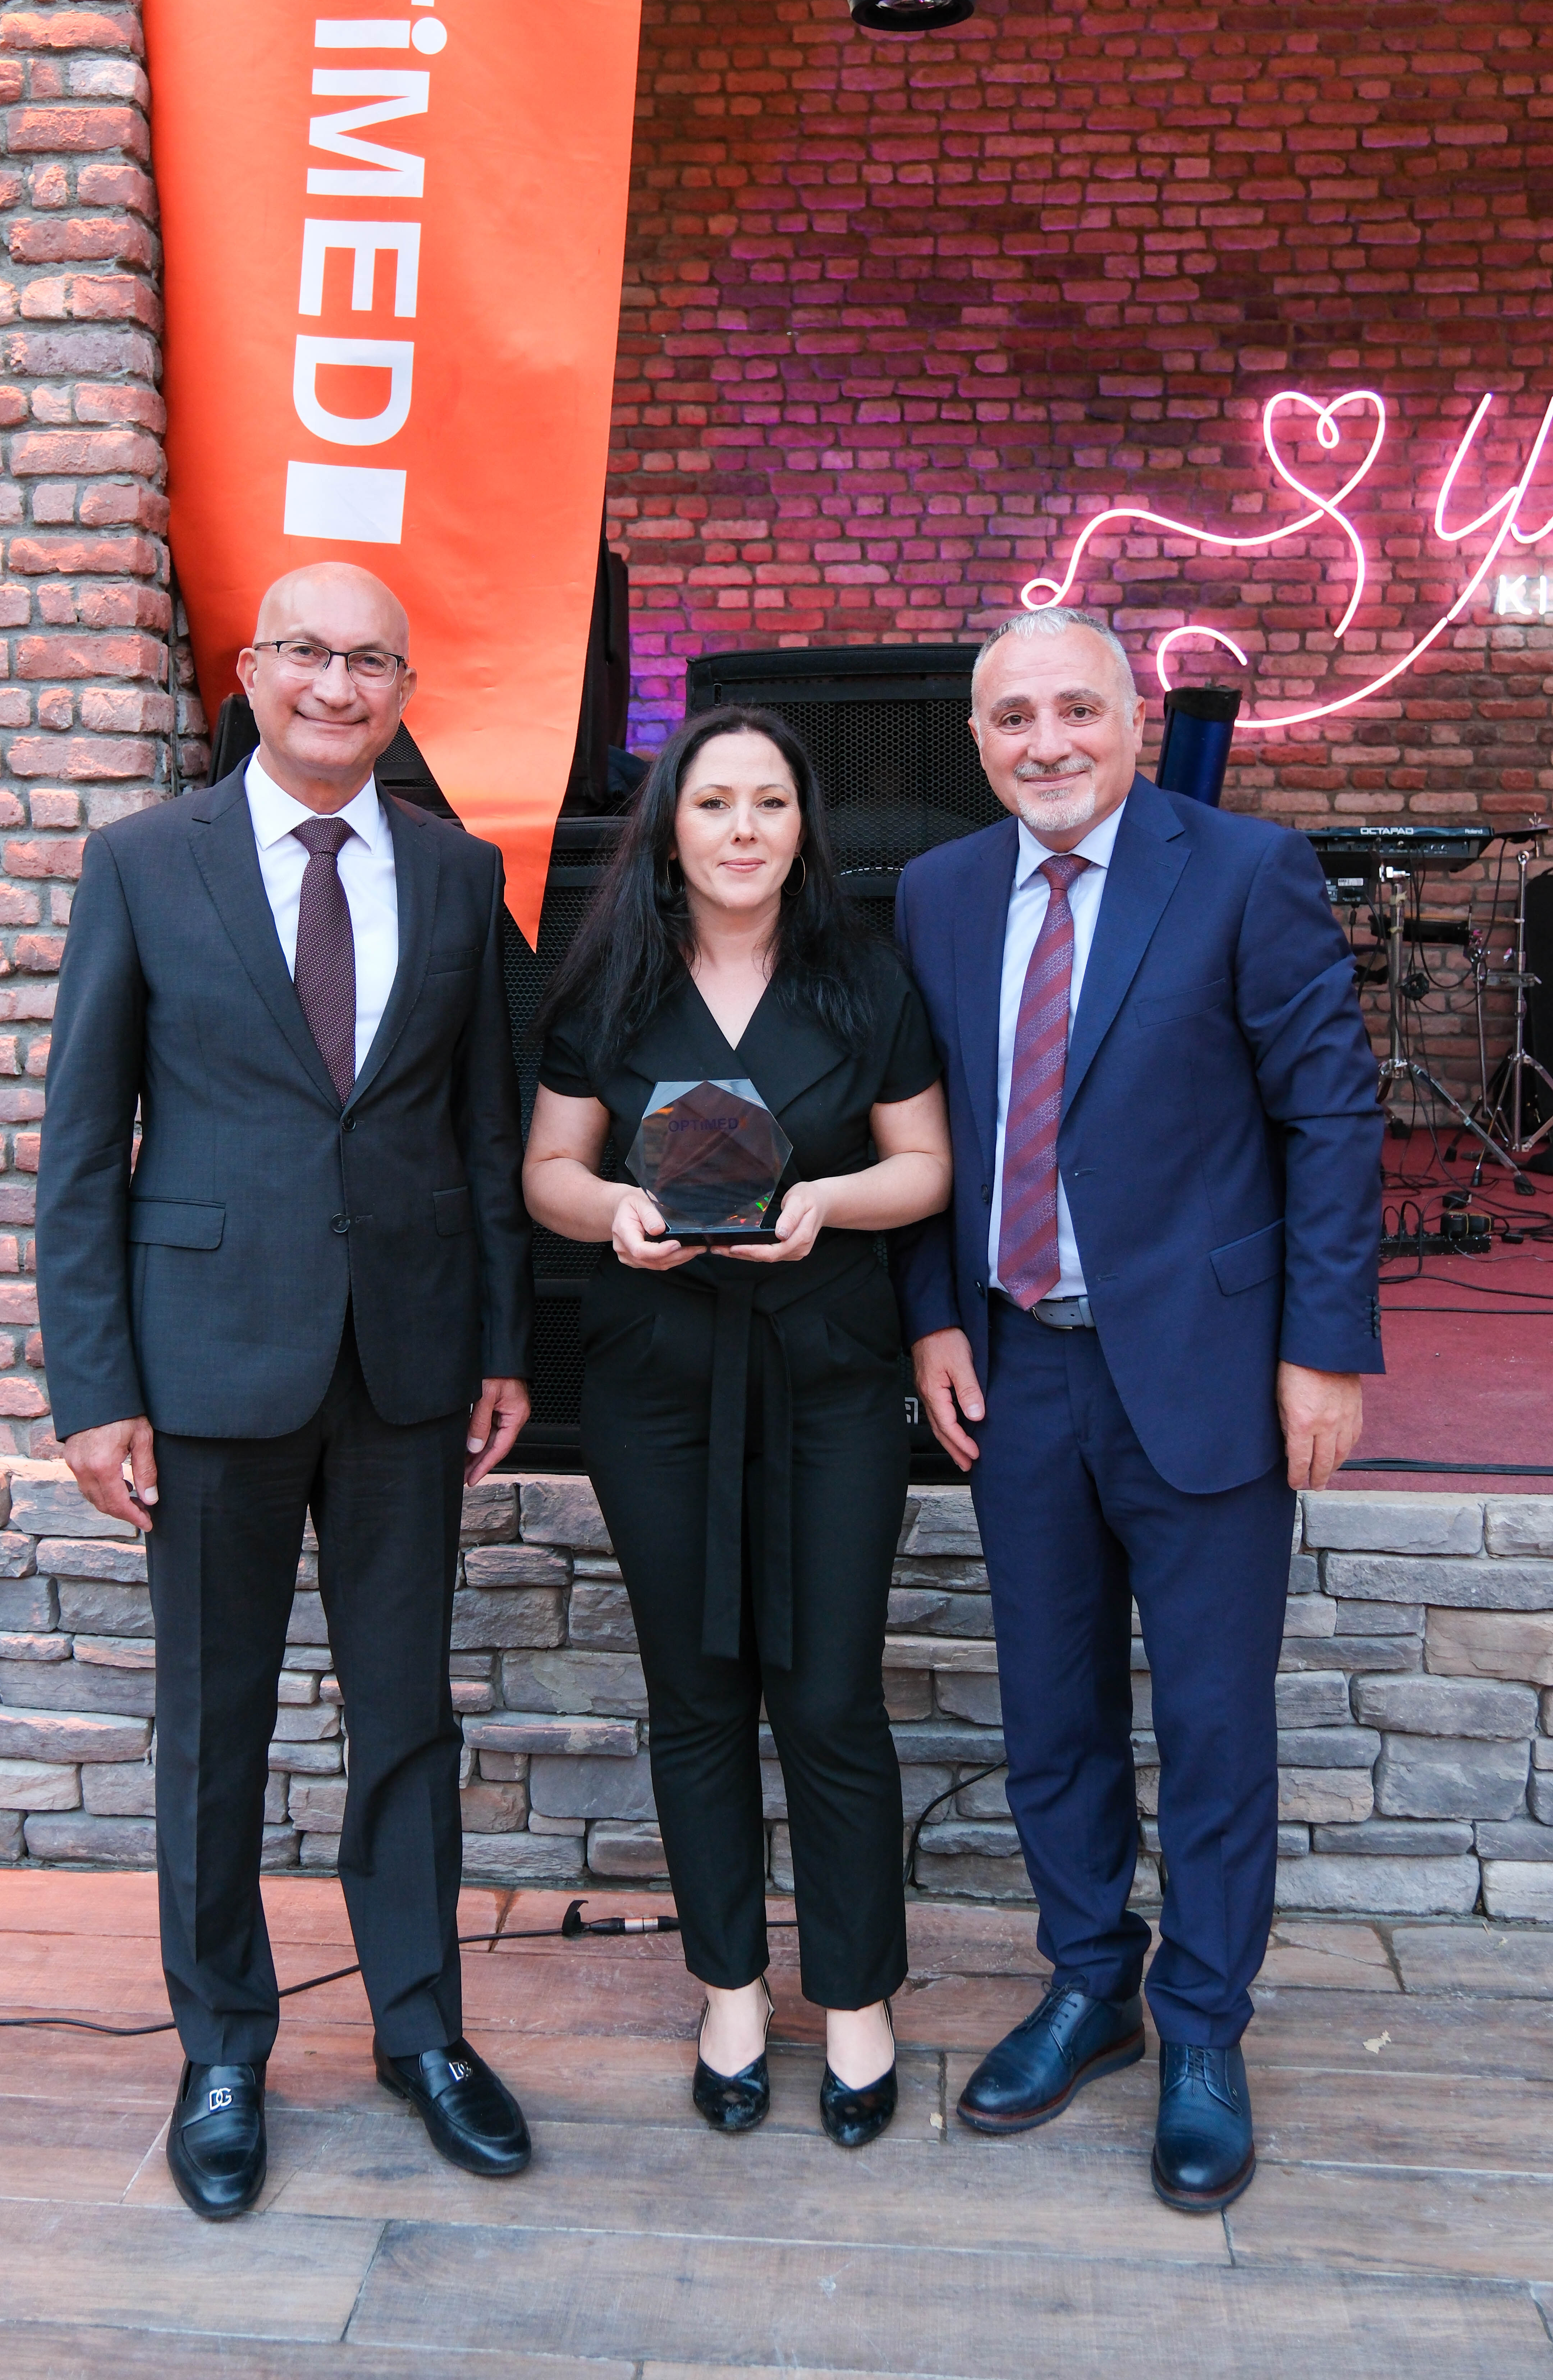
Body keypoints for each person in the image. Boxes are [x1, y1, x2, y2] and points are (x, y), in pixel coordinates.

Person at [36, 559, 537, 2221]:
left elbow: (482, 1134)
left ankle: (422, 2034)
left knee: (405, 1715)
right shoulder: (142, 863)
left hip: (405, 1363)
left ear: (405, 690)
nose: (337, 683)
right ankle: (223, 2051)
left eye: (371, 660)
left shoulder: (458, 873)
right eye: (308, 653)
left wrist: (502, 1345)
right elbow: (80, 1147)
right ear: (251, 672)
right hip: (202, 1364)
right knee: (214, 1727)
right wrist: (93, 1388)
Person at [893, 606, 1382, 2215]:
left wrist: (1324, 1350)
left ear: (1131, 719)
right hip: (1018, 1364)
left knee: (1216, 1724)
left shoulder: (1244, 872)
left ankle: (1204, 2029)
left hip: (1207, 1370)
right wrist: (931, 1319)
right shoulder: (939, 892)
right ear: (979, 739)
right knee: (1052, 1711)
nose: (1046, 741)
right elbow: (924, 1128)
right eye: (1013, 716)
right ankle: (1090, 1981)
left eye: (1076, 709)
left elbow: (1330, 1116)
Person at [523, 707, 952, 2150]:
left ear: (803, 826)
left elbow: (925, 1163)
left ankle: (858, 1997)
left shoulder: (863, 976)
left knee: (828, 1694)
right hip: (656, 1378)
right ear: (670, 828)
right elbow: (547, 1169)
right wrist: (614, 1213)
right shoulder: (612, 982)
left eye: (771, 801)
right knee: (697, 1693)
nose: (744, 829)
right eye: (714, 803)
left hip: (828, 1375)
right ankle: (728, 1989)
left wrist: (828, 1201)